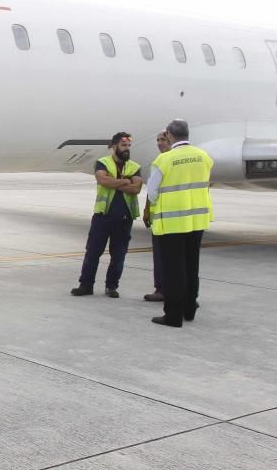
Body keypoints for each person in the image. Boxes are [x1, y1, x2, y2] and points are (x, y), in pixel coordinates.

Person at [147, 119, 213, 327]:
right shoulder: (203, 157)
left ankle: (173, 315)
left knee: (173, 270)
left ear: (168, 135)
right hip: (197, 220)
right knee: (192, 266)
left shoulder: (164, 160)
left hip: (172, 222)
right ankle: (189, 309)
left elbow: (152, 192)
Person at [71, 132, 143, 298]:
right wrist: (126, 181)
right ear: (114, 146)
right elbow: (103, 180)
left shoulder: (134, 166)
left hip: (125, 218)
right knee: (93, 252)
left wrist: (115, 182)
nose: (127, 149)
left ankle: (112, 287)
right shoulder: (102, 163)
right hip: (103, 216)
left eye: (128, 146)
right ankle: (86, 285)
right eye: (123, 145)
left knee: (118, 255)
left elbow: (136, 188)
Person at [142, 131, 172, 302]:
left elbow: (153, 191)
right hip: (165, 217)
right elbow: (150, 191)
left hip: (164, 218)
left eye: (164, 140)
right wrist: (146, 210)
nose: (160, 143)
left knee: (162, 256)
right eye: (158, 140)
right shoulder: (163, 160)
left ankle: (162, 289)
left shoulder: (162, 162)